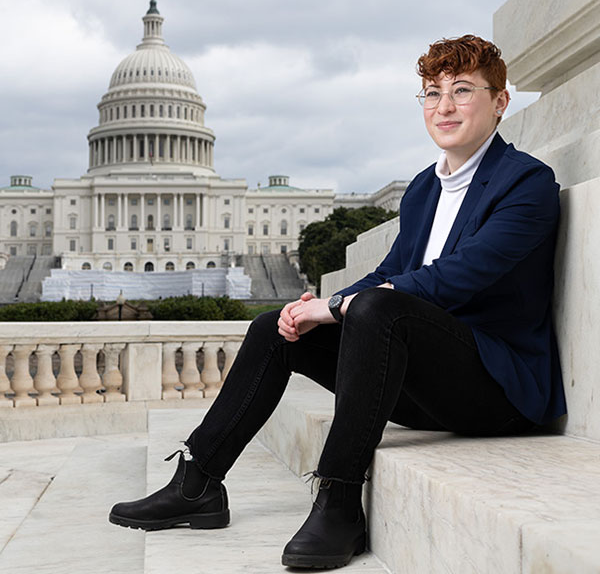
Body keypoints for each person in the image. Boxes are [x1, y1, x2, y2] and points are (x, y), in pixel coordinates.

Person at [109, 35, 566, 570]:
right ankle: (198, 483)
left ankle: (341, 501)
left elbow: (459, 277)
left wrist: (347, 306)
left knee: (374, 308)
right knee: (275, 329)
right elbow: (393, 272)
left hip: (496, 390)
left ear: (500, 101)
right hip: (427, 383)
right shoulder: (425, 188)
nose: (444, 107)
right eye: (432, 93)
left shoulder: (527, 183)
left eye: (462, 91)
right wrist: (322, 305)